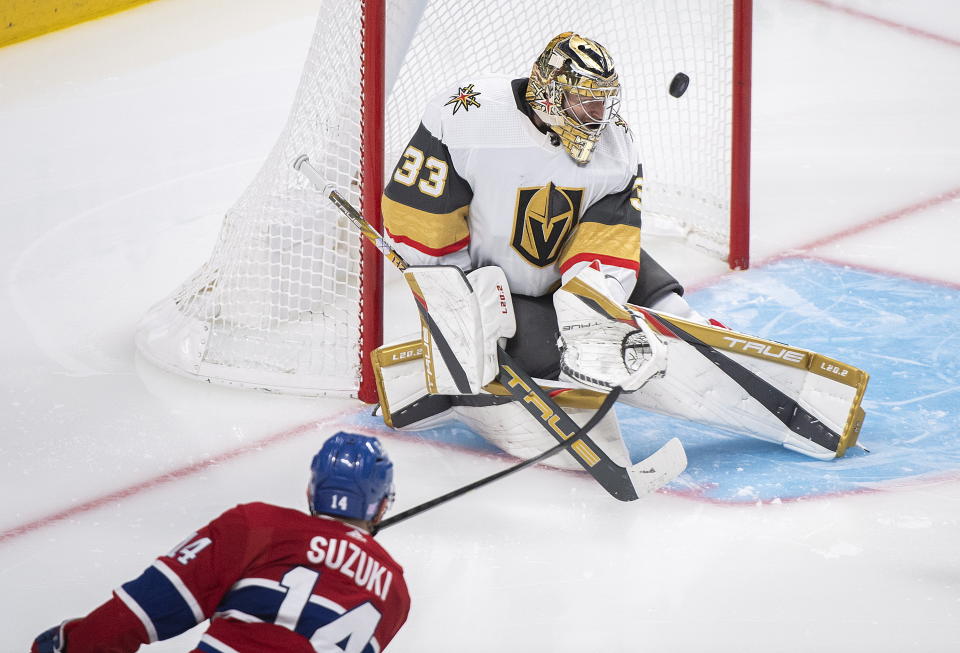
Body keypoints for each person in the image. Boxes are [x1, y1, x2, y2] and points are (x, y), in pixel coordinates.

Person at [381, 31, 708, 381]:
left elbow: (610, 236)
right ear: (549, 94)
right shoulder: (470, 117)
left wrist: (595, 308)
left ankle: (698, 337)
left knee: (641, 274)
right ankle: (567, 361)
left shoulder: (616, 144)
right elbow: (418, 216)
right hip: (495, 288)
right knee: (542, 349)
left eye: (605, 100)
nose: (600, 115)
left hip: (568, 273)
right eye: (586, 101)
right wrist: (460, 291)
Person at [31, 432, 410, 653]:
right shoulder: (395, 591)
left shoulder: (259, 526)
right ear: (381, 507)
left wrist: (68, 643)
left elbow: (144, 612)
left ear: (312, 491)